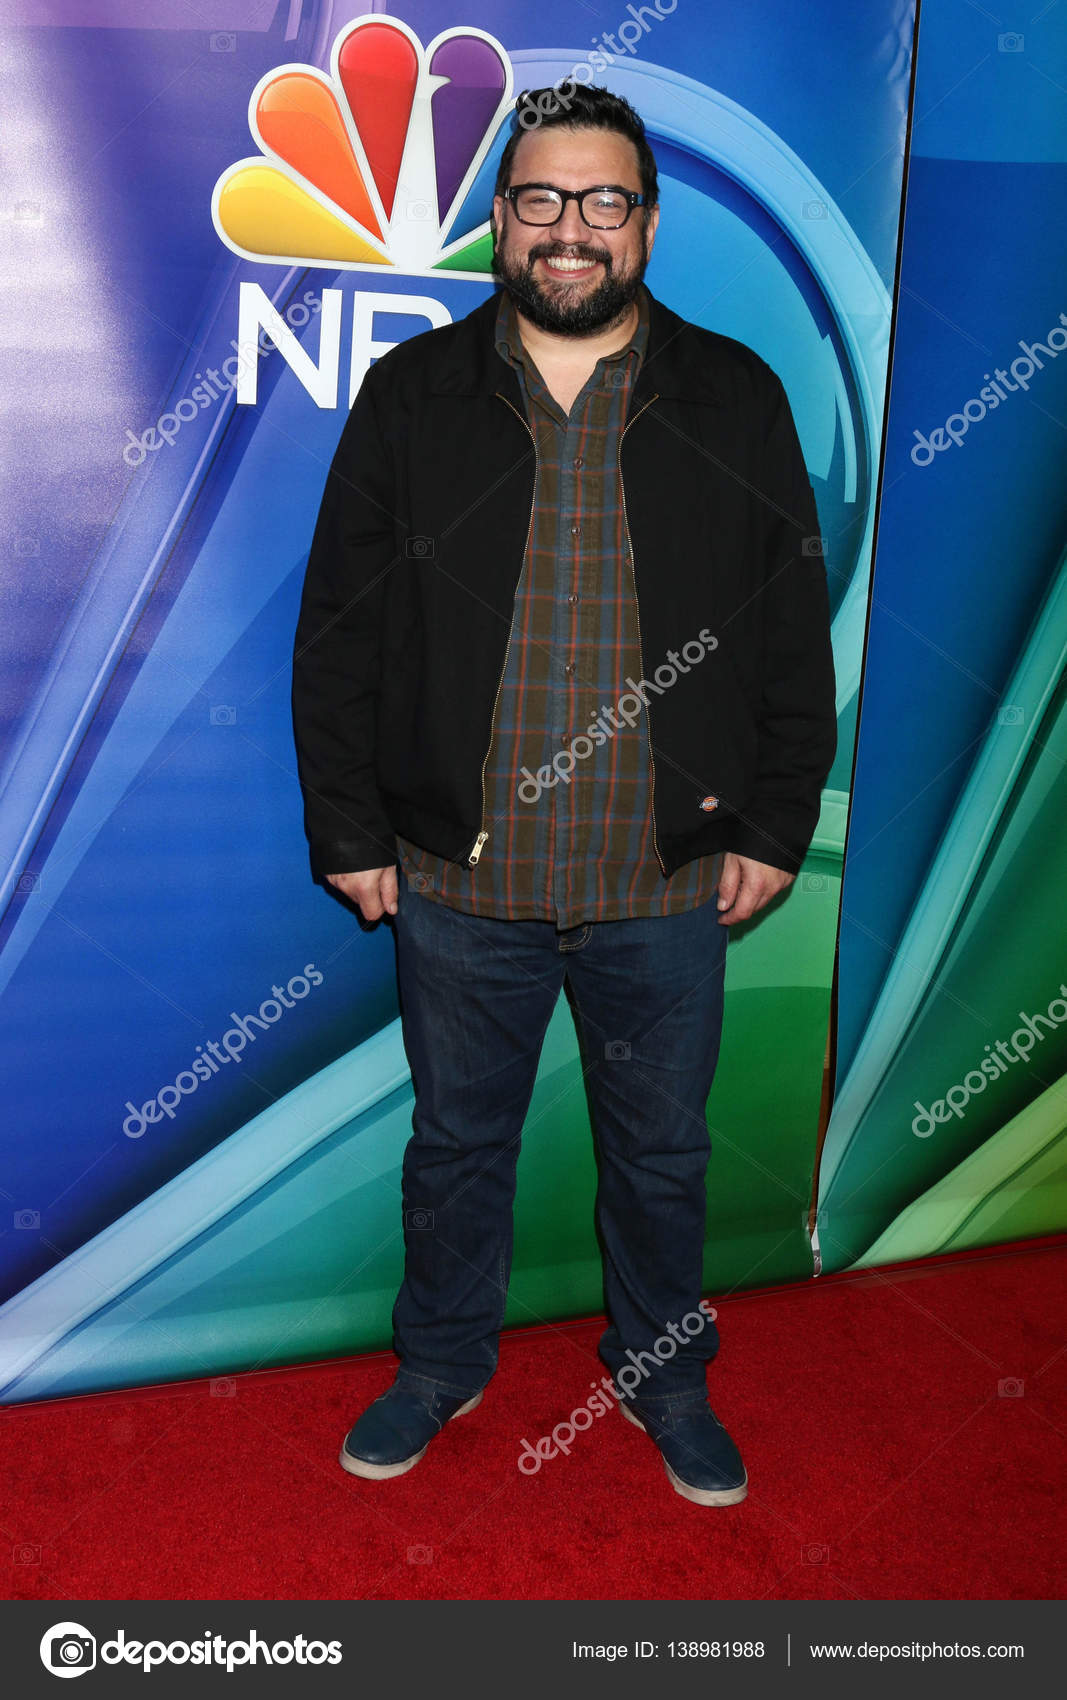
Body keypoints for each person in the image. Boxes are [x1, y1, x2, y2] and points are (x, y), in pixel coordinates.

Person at [291, 86, 836, 1507]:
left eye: (603, 202)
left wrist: (778, 820)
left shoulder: (737, 395)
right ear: (500, 225)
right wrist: (349, 828)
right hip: (457, 882)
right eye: (541, 201)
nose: (570, 230)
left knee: (661, 1158)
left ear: (647, 224)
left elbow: (790, 627)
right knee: (455, 1146)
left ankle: (668, 1377)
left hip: (663, 879)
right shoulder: (413, 396)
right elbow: (341, 628)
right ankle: (442, 1363)